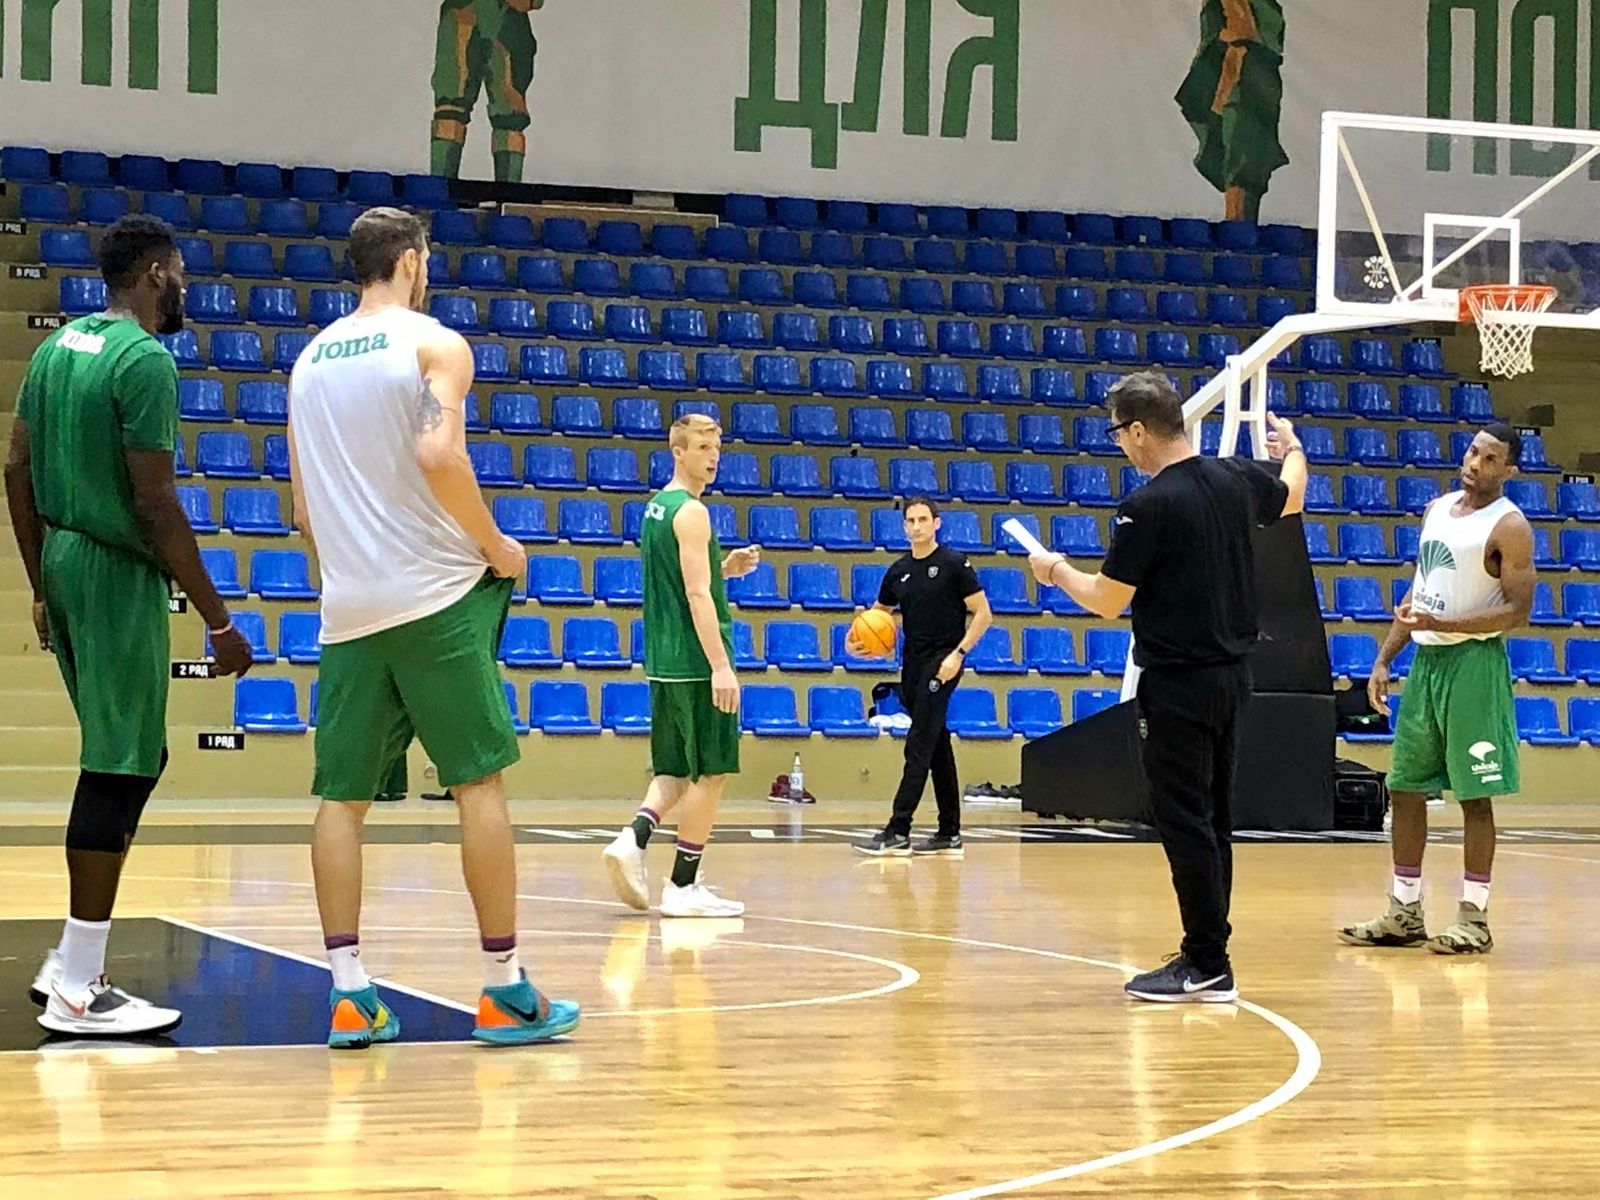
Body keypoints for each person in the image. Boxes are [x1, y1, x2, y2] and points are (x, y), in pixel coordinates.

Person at [288, 207, 577, 1047]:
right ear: (412, 261)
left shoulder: (306, 363)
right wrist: (497, 547)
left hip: (348, 610)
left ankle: (348, 993)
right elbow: (437, 456)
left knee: (339, 803)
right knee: (477, 786)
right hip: (435, 598)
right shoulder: (435, 345)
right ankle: (504, 989)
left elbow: (305, 513)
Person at [4, 214, 253, 1036]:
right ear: (152, 272)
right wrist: (218, 621)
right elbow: (154, 504)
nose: (183, 283)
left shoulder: (59, 347)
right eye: (177, 269)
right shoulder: (144, 361)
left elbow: (15, 466)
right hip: (113, 572)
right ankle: (79, 983)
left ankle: (71, 958)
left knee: (135, 757)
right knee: (117, 766)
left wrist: (41, 581)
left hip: (67, 563)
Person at [1027, 372, 1306, 1002]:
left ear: (1137, 431)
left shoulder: (1146, 506)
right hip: (1235, 680)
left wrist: (1056, 571)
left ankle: (1205, 960)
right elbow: (1291, 497)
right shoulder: (1234, 478)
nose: (1121, 447)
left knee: (1184, 823)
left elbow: (1106, 600)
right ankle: (1211, 952)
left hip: (1178, 685)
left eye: (1119, 435)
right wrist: (1292, 447)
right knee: (1214, 819)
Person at [1339, 425, 1533, 955]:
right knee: (1404, 787)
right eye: (1473, 451)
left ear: (1508, 470)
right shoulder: (1437, 509)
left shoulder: (1510, 526)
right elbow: (1420, 590)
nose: (1476, 462)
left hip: (1474, 665)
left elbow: (1518, 612)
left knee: (1474, 795)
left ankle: (1475, 918)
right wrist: (1384, 657)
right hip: (1426, 663)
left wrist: (1445, 627)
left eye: (1490, 458)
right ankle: (1404, 911)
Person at [601, 414, 759, 917]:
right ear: (677, 451)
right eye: (702, 447)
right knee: (711, 773)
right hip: (695, 659)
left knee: (672, 770)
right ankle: (682, 887)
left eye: (717, 446)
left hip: (663, 659)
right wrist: (721, 666)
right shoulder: (692, 513)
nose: (713, 456)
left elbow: (686, 577)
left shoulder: (656, 508)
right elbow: (694, 594)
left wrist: (722, 569)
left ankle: (633, 838)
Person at [852, 497, 993, 858]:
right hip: (911, 665)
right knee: (936, 745)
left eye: (923, 519)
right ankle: (950, 832)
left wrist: (958, 655)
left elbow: (982, 614)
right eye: (910, 520)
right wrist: (858, 644)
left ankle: (899, 829)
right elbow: (877, 617)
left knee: (917, 744)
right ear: (904, 527)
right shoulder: (898, 571)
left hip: (943, 662)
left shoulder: (953, 564)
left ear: (936, 523)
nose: (916, 526)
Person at [1175, 0, 1288, 221]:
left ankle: (1237, 225)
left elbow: (1244, 31)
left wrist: (1226, 84)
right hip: (1241, 79)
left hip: (1244, 80)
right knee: (1235, 159)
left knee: (1241, 159)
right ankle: (1237, 226)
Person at [431, 0, 543, 183]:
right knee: (450, 106)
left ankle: (508, 198)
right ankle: (438, 192)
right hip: (461, 14)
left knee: (510, 114)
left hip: (508, 22)